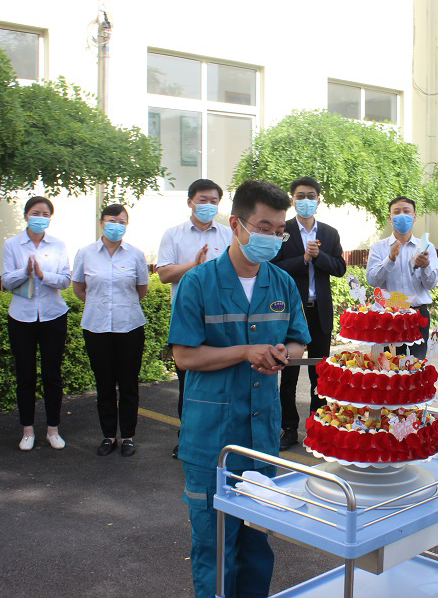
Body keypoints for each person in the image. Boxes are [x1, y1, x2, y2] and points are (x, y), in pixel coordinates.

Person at [168, 180, 310, 598]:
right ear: (236, 224)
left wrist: (284, 353)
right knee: (214, 547)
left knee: (256, 543)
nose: (272, 238)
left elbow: (299, 341)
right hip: (211, 438)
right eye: (263, 228)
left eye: (278, 231)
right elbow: (185, 356)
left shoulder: (282, 283)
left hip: (261, 437)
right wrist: (245, 351)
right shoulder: (198, 283)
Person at [156, 179, 233, 459]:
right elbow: (164, 274)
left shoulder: (228, 234)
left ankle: (222, 441)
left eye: (214, 201)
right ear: (190, 202)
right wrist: (194, 265)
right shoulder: (173, 235)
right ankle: (187, 439)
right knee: (188, 383)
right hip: (187, 319)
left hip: (222, 319)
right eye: (203, 200)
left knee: (222, 381)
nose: (208, 205)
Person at [271, 176, 346, 452]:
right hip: (292, 314)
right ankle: (288, 427)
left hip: (320, 312)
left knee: (321, 373)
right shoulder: (283, 231)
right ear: (293, 200)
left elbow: (339, 268)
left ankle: (318, 424)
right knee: (288, 373)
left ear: (318, 200)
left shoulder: (329, 233)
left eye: (311, 195)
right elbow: (273, 266)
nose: (306, 200)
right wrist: (302, 259)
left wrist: (318, 257)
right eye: (300, 196)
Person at [72, 204, 149, 458]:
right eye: (112, 220)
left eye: (122, 221)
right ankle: (108, 436)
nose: (117, 225)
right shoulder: (85, 253)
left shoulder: (135, 254)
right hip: (96, 327)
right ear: (102, 223)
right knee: (104, 383)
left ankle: (127, 436)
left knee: (128, 384)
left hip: (130, 327)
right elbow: (79, 288)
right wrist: (100, 305)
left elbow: (141, 289)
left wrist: (121, 306)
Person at [1, 196, 71, 451]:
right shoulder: (12, 244)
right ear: (26, 216)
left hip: (53, 315)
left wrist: (43, 275)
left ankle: (53, 429)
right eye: (35, 213)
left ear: (50, 218)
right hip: (22, 317)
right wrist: (26, 272)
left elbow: (65, 280)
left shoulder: (58, 245)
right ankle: (27, 430)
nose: (40, 218)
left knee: (52, 375)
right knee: (25, 375)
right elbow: (6, 281)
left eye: (45, 214)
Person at [366, 196, 438, 359]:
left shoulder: (426, 247)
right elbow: (372, 280)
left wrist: (426, 265)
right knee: (386, 367)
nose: (402, 215)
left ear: (414, 217)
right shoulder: (379, 248)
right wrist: (390, 259)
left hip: (417, 316)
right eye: (397, 212)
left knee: (414, 367)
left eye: (406, 211)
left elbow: (431, 284)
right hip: (387, 316)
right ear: (390, 218)